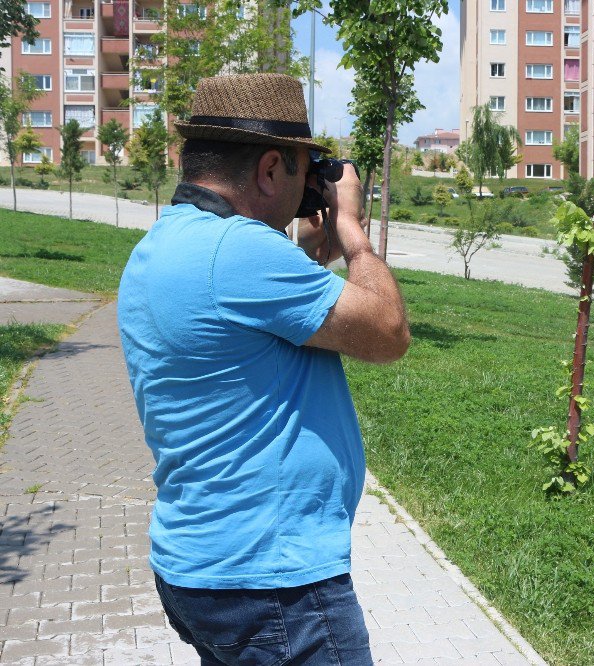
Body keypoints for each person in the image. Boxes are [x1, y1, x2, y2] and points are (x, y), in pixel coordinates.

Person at [118, 73, 410, 665]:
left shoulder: (166, 245)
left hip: (205, 567)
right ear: (270, 168)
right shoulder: (240, 254)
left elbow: (248, 313)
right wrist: (352, 230)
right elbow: (387, 333)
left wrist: (308, 245)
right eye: (304, 170)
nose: (310, 186)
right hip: (275, 586)